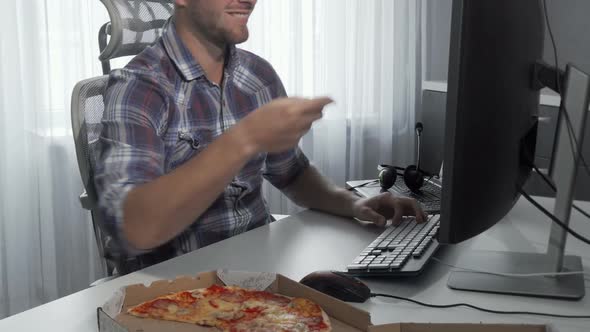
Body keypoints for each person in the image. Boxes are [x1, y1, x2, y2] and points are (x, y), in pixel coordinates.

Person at [95, 0, 426, 272]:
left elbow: (292, 173)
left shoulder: (258, 75)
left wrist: (353, 203)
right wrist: (246, 138)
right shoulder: (138, 87)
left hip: (261, 273)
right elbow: (134, 229)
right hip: (180, 291)